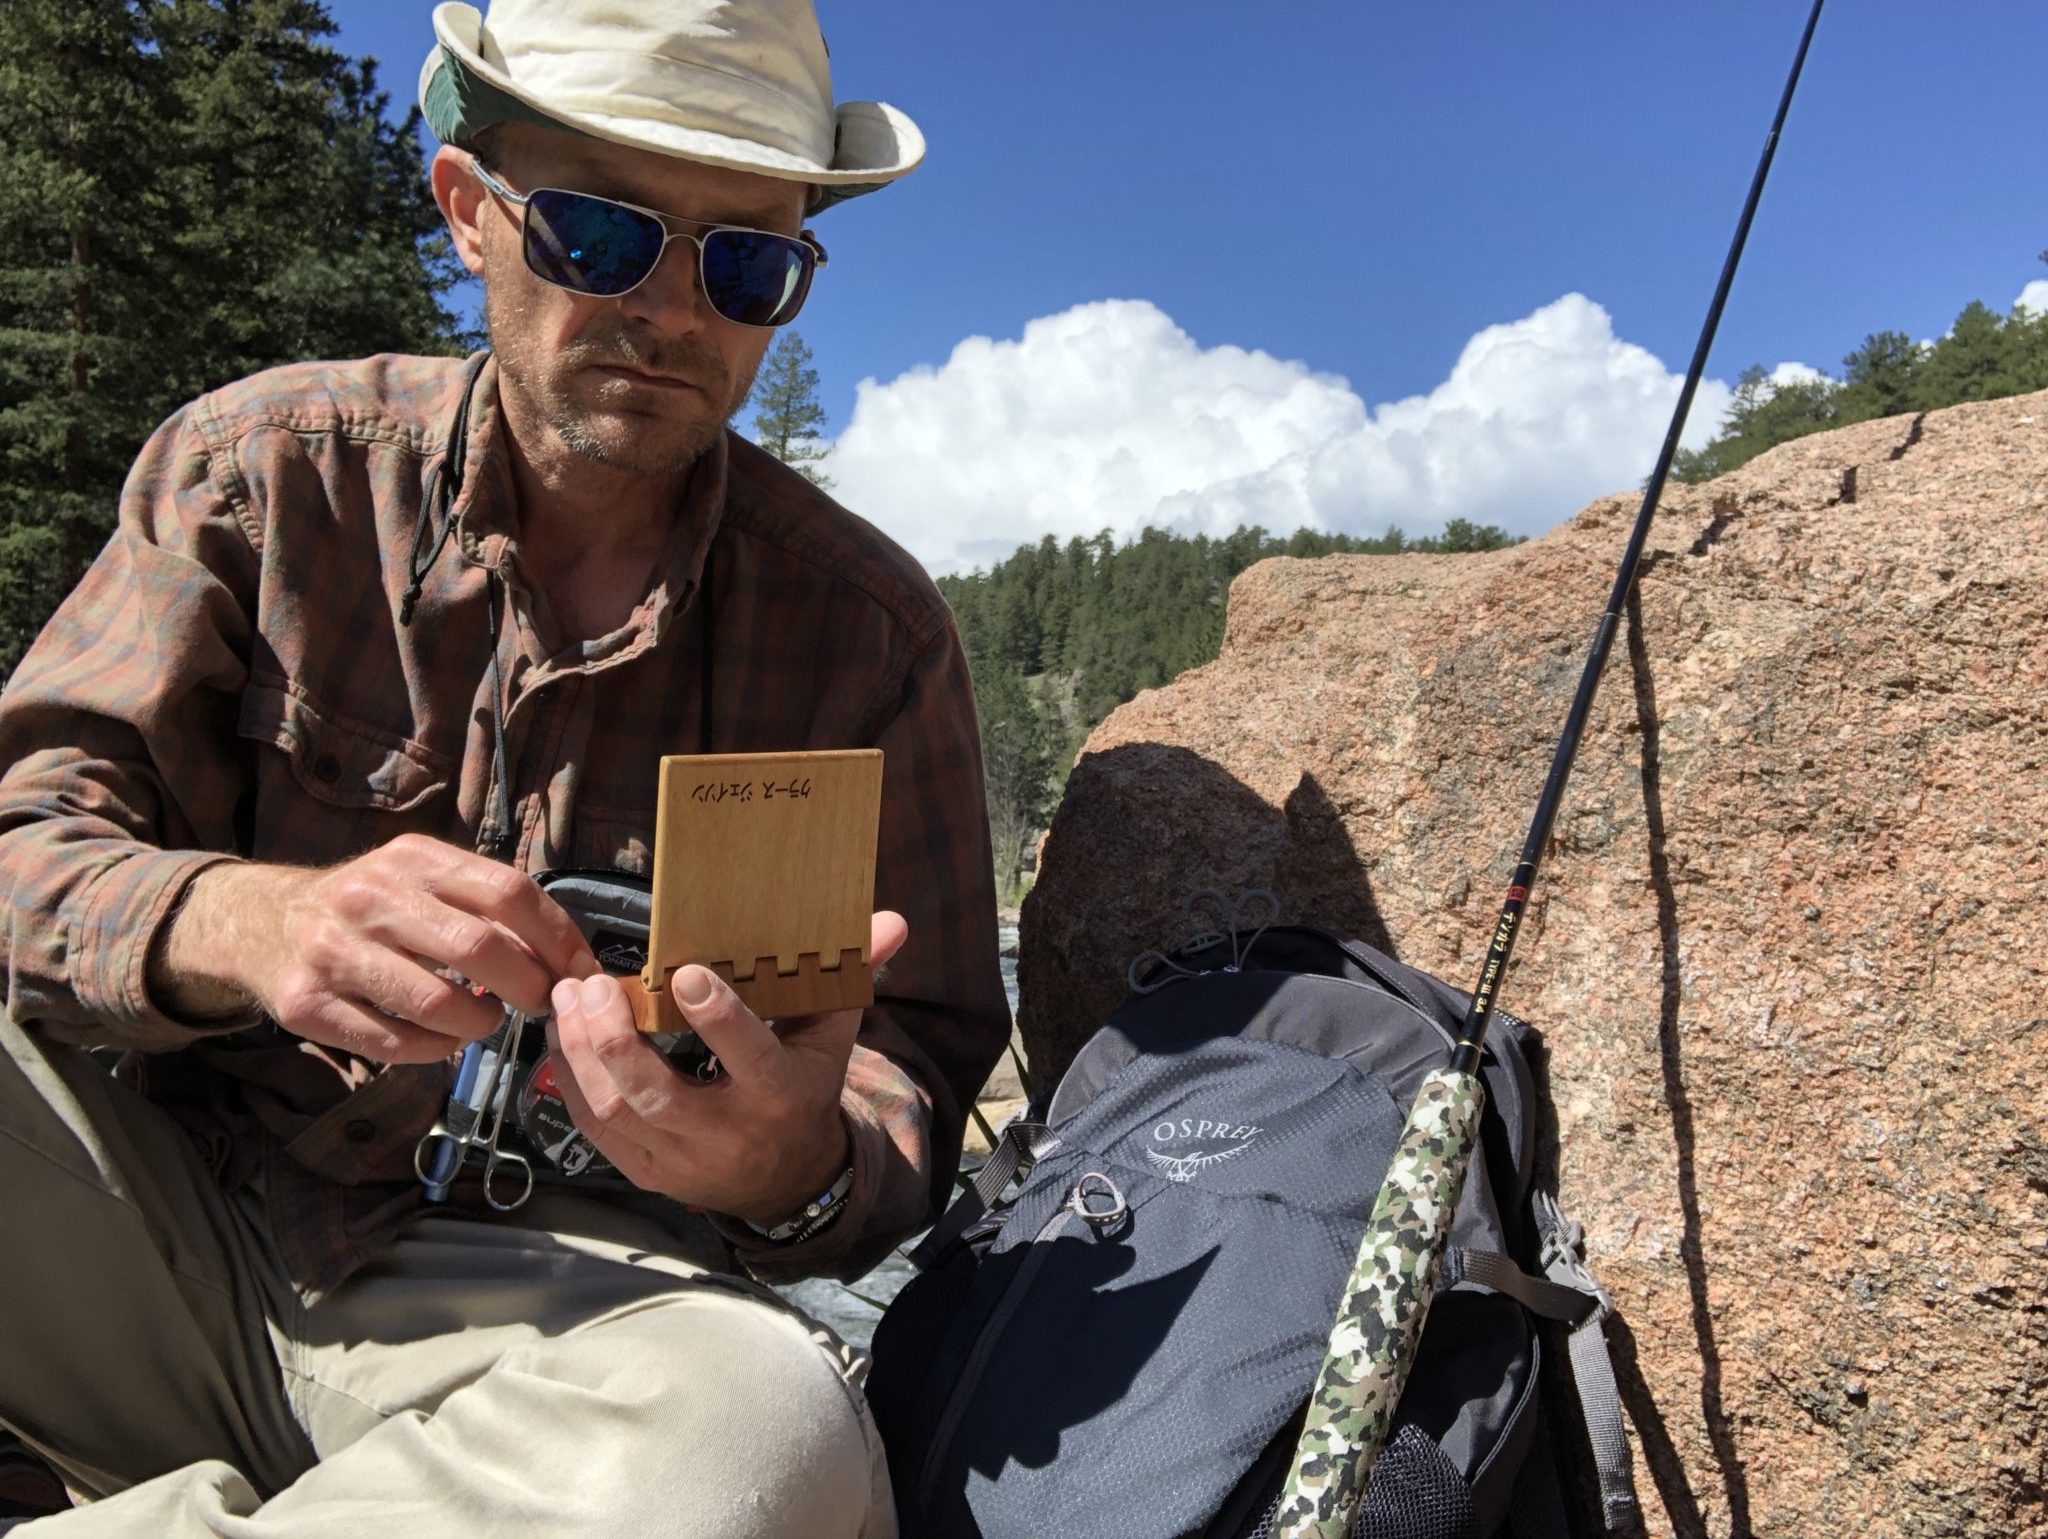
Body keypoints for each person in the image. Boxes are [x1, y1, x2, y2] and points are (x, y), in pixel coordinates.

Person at [0, 2, 1008, 1534]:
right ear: (472, 215)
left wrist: (794, 1163)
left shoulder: (868, 636)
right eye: (603, 234)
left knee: (759, 1432)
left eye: (745, 260)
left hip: (570, 1328)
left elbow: (916, 1067)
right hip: (157, 1219)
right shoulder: (260, 478)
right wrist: (248, 927)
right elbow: (26, 836)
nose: (674, 311)